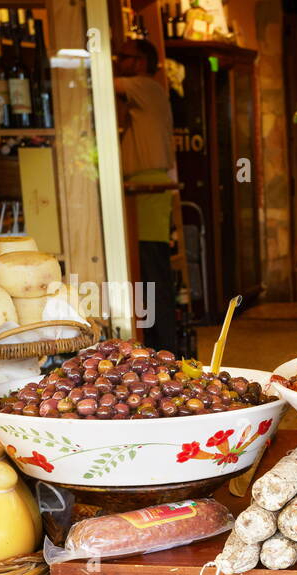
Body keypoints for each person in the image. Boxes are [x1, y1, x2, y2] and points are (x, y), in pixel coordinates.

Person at [114, 38, 178, 353]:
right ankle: (159, 347)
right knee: (147, 273)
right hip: (139, 189)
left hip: (147, 188)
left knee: (151, 272)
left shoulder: (145, 86)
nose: (117, 61)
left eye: (123, 56)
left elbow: (103, 81)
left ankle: (164, 350)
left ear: (140, 62)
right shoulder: (144, 92)